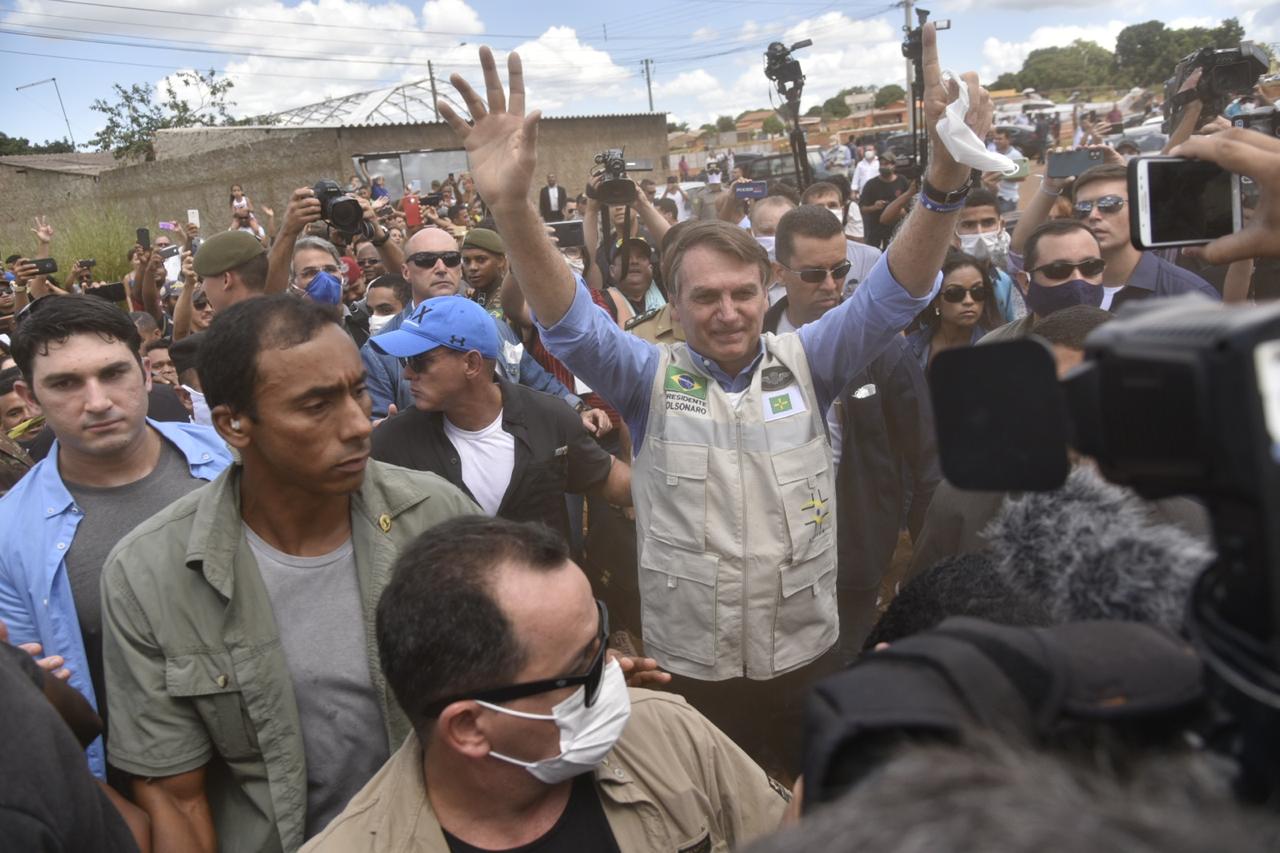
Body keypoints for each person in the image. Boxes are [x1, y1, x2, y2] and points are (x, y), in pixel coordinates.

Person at [437, 27, 989, 772]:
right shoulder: (646, 374)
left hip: (806, 654)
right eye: (705, 297)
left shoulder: (813, 360)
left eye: (741, 293)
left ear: (770, 292)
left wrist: (945, 187)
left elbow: (896, 294)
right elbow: (569, 325)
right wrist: (512, 209)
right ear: (678, 300)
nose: (727, 312)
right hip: (691, 666)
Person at [100, 296, 479, 852]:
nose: (357, 425)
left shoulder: (437, 516)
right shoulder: (149, 575)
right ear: (233, 424)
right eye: (316, 406)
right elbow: (177, 799)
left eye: (358, 391)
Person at [302, 517, 791, 852]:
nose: (618, 669)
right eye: (584, 665)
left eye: (602, 639)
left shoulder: (670, 735)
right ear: (469, 726)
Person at [0, 296, 231, 783]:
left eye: (112, 373)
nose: (98, 401)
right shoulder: (10, 538)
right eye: (65, 383)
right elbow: (42, 701)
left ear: (146, 373)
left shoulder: (235, 461)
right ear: (30, 397)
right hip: (143, 790)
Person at [765, 204, 939, 656]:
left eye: (840, 270)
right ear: (778, 272)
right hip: (772, 560)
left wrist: (918, 556)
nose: (830, 285)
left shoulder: (883, 351)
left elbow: (926, 460)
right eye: (813, 274)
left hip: (855, 556)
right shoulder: (752, 348)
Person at [369, 296, 631, 543]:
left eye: (418, 361)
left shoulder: (550, 418)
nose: (406, 374)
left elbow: (610, 479)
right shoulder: (395, 440)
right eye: (405, 360)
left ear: (471, 364)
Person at [360, 227, 582, 419]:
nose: (441, 268)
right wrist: (387, 434)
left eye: (451, 259)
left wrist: (579, 409)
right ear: (406, 272)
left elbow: (540, 383)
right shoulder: (379, 352)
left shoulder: (493, 327)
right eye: (426, 260)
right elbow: (374, 430)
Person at [1011, 159, 1218, 308]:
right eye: (1083, 207)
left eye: (1109, 204)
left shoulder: (1189, 295)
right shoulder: (1060, 288)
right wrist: (1049, 186)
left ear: (1140, 210)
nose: (1093, 215)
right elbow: (1020, 250)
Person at [983, 220, 1107, 341]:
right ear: (1025, 282)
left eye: (1091, 266)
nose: (1078, 279)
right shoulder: (992, 350)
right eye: (1058, 270)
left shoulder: (1125, 343)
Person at [905, 252, 1006, 370]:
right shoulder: (911, 347)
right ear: (936, 300)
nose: (969, 301)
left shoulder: (1001, 347)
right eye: (955, 293)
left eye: (977, 292)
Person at [952, 188, 1022, 322]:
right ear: (954, 232)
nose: (980, 233)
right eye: (968, 224)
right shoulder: (941, 281)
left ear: (1001, 225)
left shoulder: (1004, 280)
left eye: (988, 223)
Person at [799, 183, 882, 295]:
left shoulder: (871, 256)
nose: (827, 211)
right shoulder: (797, 259)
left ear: (842, 210)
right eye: (819, 207)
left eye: (832, 205)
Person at [193, 229, 270, 312]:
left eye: (204, 279)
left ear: (226, 280)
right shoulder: (278, 319)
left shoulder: (234, 324)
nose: (203, 288)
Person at [859, 157, 910, 250]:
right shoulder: (871, 184)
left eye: (886, 164)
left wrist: (903, 210)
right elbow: (862, 208)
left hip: (897, 228)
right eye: (881, 164)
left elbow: (912, 203)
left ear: (893, 165)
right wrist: (874, 207)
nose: (884, 166)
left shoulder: (902, 181)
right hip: (876, 228)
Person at [461, 227, 508, 313]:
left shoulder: (513, 301)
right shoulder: (465, 300)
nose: (472, 267)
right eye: (466, 261)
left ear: (501, 261)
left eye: (481, 260)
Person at [985, 129, 1026, 213]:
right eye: (995, 139)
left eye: (1000, 139)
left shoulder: (1016, 155)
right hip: (991, 197)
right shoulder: (991, 153)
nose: (997, 141)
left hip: (1008, 198)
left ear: (1008, 140)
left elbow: (1022, 177)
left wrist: (1000, 175)